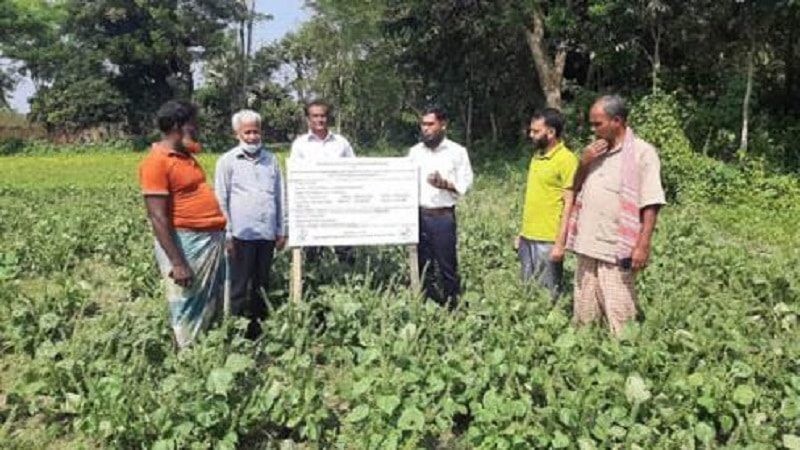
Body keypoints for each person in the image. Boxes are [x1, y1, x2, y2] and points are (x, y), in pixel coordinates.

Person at [566, 94, 666, 335]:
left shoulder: (642, 153)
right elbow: (575, 186)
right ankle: (586, 351)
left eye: (597, 124)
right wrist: (584, 162)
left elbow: (651, 202)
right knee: (585, 309)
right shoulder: (594, 152)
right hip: (588, 242)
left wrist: (642, 245)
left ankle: (626, 356)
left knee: (620, 310)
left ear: (617, 121)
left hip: (616, 246)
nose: (593, 129)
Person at [139, 100, 227, 349]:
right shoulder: (156, 161)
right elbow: (157, 216)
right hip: (186, 242)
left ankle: (206, 349)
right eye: (192, 125)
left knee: (208, 301)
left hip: (207, 239)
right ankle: (189, 356)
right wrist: (178, 263)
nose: (197, 129)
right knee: (187, 300)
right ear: (178, 126)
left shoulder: (185, 156)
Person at [215, 109, 286, 338]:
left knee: (261, 285)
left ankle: (258, 331)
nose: (253, 137)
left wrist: (281, 230)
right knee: (238, 287)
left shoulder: (271, 160)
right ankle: (234, 331)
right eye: (248, 132)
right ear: (237, 133)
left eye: (256, 131)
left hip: (266, 234)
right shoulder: (227, 161)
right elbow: (221, 199)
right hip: (240, 236)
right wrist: (227, 234)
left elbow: (279, 196)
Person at [408, 106, 473, 308]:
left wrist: (444, 184)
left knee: (447, 266)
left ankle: (452, 306)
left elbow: (466, 183)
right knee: (422, 264)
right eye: (423, 124)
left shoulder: (457, 152)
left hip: (442, 217)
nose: (425, 129)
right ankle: (426, 304)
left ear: (443, 125)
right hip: (418, 216)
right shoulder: (414, 152)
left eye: (430, 124)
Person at [516, 108, 578, 302]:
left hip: (548, 239)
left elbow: (570, 203)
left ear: (550, 132)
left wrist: (560, 243)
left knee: (548, 296)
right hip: (528, 237)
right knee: (527, 290)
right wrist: (522, 233)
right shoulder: (537, 157)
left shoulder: (567, 160)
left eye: (536, 131)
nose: (531, 135)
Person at [289, 99, 356, 263]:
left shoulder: (342, 143)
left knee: (345, 249)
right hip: (312, 206)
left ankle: (348, 281)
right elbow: (295, 177)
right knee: (312, 252)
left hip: (340, 205)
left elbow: (354, 170)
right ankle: (314, 283)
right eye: (315, 116)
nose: (319, 120)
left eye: (323, 116)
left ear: (328, 118)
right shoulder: (300, 145)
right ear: (308, 119)